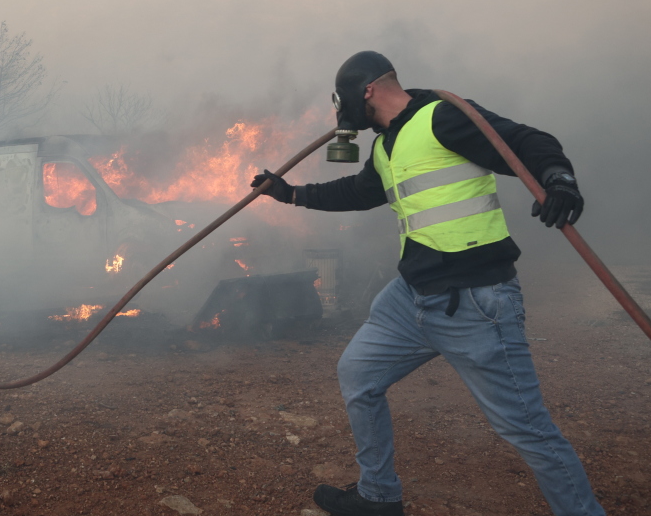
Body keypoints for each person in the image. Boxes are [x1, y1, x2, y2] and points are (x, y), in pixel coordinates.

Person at [252, 51, 601, 516]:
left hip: (476, 301)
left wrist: (559, 180)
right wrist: (290, 194)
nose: (341, 115)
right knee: (358, 373)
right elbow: (358, 193)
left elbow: (525, 141)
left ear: (368, 90)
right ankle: (378, 497)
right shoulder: (385, 146)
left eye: (343, 102)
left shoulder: (442, 116)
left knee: (527, 428)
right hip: (412, 297)